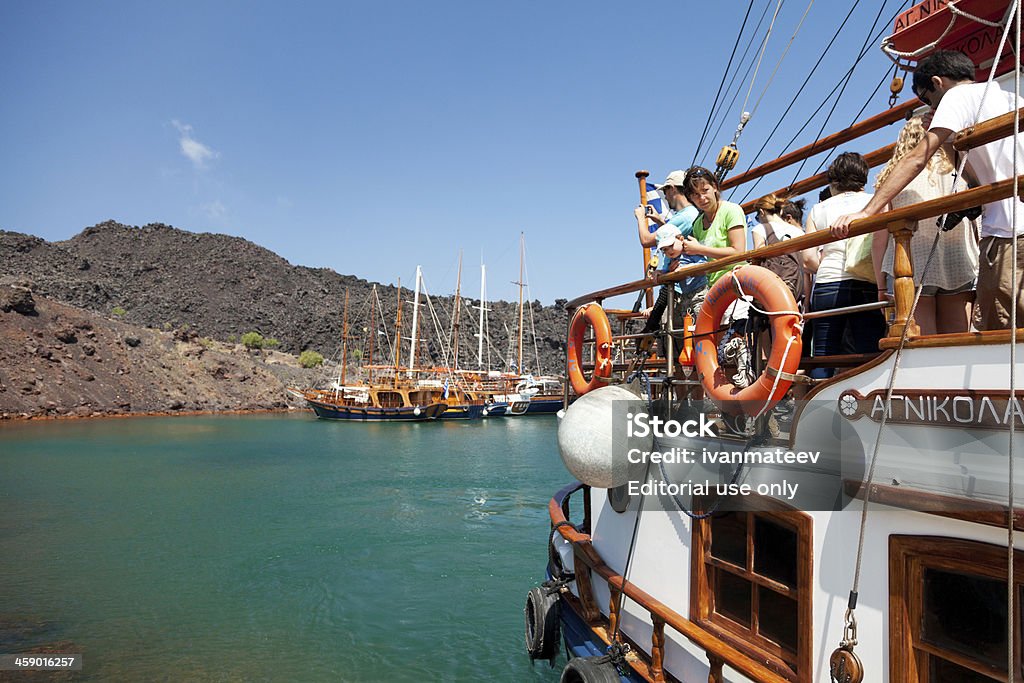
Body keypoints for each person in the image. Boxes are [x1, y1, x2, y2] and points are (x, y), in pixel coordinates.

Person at [832, 50, 1024, 331]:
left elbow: (917, 157)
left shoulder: (956, 97)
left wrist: (865, 211)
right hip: (998, 237)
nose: (929, 104)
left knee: (1004, 333)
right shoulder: (1008, 94)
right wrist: (949, 140)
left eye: (925, 97)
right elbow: (973, 180)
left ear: (937, 82)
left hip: (1009, 234)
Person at [871, 116, 979, 334]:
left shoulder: (892, 177)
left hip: (911, 264)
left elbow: (879, 237)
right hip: (958, 259)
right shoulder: (960, 169)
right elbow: (976, 219)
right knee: (956, 342)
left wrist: (881, 284)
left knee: (922, 343)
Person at [803, 152, 886, 377]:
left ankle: (819, 410)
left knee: (823, 353)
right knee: (869, 352)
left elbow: (808, 258)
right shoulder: (874, 201)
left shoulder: (818, 209)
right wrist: (882, 288)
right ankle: (868, 407)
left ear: (833, 180)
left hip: (827, 283)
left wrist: (828, 265)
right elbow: (882, 244)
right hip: (867, 282)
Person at [751, 193, 806, 304]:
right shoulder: (798, 231)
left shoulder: (760, 228)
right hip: (796, 289)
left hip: (771, 288)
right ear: (780, 211)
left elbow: (757, 258)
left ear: (762, 212)